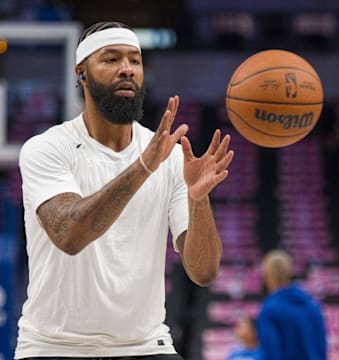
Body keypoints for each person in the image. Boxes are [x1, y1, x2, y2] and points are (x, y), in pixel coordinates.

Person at [14, 21, 234, 360]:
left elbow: (203, 272)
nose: (127, 69)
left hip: (145, 346)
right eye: (111, 59)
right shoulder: (47, 149)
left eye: (135, 60)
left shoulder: (171, 155)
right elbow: (70, 235)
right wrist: (143, 167)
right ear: (81, 73)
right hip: (54, 347)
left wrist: (198, 197)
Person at [257, 250, 327, 360]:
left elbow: (271, 355)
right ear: (289, 272)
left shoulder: (269, 309)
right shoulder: (312, 305)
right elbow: (322, 350)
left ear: (266, 275)